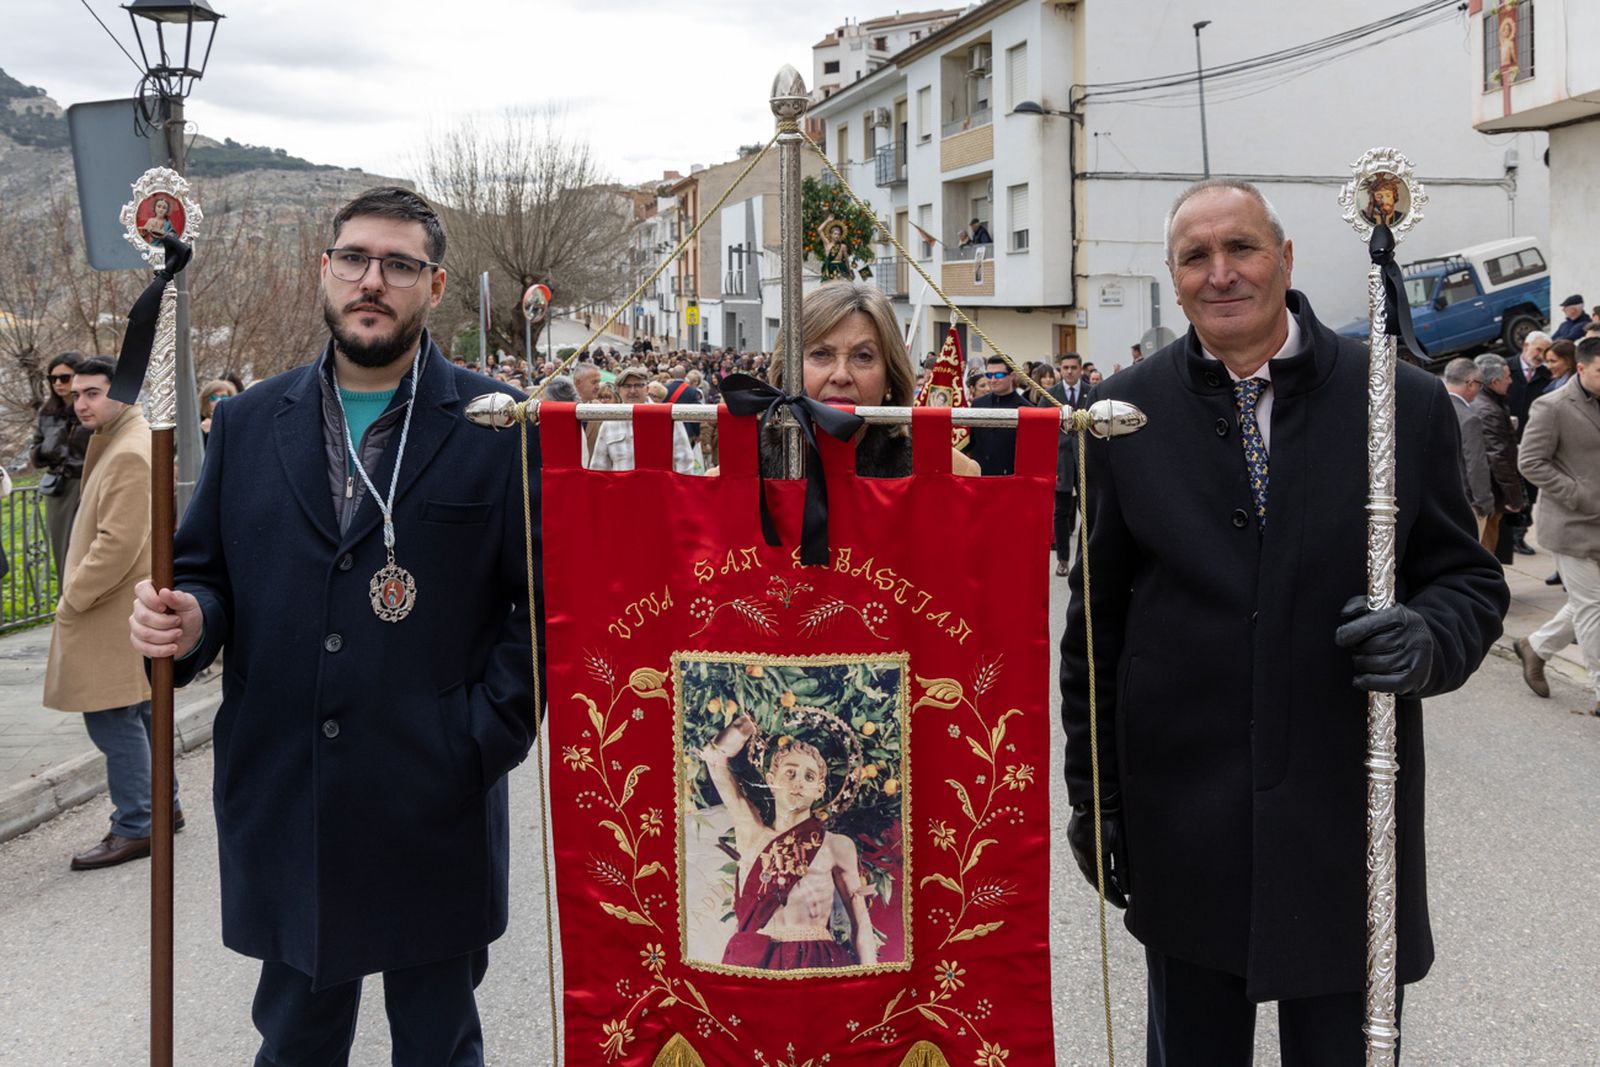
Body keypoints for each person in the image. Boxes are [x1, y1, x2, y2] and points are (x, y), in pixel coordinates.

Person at [1061, 179, 1507, 1065]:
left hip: (1343, 821)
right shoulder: (1123, 416)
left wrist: (1428, 638)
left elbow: (1468, 581)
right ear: (1174, 277)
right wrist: (1096, 801)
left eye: (1243, 249)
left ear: (1287, 257)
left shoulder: (1400, 402)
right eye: (1196, 257)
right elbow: (1094, 631)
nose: (1222, 273)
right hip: (1183, 822)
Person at [127, 187, 539, 1066]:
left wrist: (478, 735)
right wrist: (191, 616)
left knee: (438, 1044)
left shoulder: (498, 424)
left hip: (434, 801)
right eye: (354, 258)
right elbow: (207, 572)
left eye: (399, 265)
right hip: (290, 795)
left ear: (433, 285)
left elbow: (537, 608)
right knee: (295, 1044)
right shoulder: (244, 421)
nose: (372, 280)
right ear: (325, 269)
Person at [44, 356, 178, 869]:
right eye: (75, 394)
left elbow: (118, 542)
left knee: (112, 719)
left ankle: (138, 823)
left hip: (108, 610)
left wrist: (73, 596)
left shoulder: (128, 450)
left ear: (122, 393)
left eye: (92, 393)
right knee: (138, 713)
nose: (80, 403)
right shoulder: (127, 439)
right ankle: (164, 809)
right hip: (125, 607)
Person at [699, 714, 874, 970]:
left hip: (818, 960)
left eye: (809, 777)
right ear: (771, 781)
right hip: (756, 960)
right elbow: (714, 761)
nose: (798, 783)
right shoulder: (751, 832)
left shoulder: (837, 846)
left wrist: (868, 979)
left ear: (820, 790)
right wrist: (744, 725)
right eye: (790, 773)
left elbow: (861, 923)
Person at [758, 282, 979, 478]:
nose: (841, 375)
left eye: (863, 356)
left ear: (890, 378)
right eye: (821, 354)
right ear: (785, 372)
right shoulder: (742, 473)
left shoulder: (951, 474)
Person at [1514, 335, 1600, 717]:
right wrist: (1579, 494)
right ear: (1581, 368)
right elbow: (1530, 462)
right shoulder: (1552, 406)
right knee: (1594, 607)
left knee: (1588, 604)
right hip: (1571, 524)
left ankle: (1536, 646)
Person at [31, 351, 93, 578]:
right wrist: (49, 447)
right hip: (58, 487)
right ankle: (67, 602)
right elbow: (36, 451)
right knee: (62, 551)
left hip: (87, 483)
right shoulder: (47, 413)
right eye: (53, 378)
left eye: (65, 377)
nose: (58, 383)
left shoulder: (90, 410)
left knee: (87, 549)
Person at [589, 365, 700, 473]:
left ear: (647, 389)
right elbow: (599, 467)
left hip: (660, 490)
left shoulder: (666, 418)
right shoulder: (610, 423)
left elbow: (684, 462)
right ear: (618, 390)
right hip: (623, 490)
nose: (632, 391)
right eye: (627, 386)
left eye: (638, 385)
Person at [1471, 353, 1525, 559]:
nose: (1511, 381)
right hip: (1490, 493)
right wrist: (1514, 497)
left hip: (1488, 491)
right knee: (1487, 544)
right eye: (1507, 377)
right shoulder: (1489, 410)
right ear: (1494, 381)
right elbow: (1499, 457)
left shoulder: (1488, 402)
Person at [1049, 352, 1091, 577]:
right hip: (1061, 460)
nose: (1069, 372)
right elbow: (1042, 426)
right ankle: (1063, 559)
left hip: (1086, 458)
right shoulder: (1051, 394)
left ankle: (1083, 558)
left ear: (1080, 368)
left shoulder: (1091, 392)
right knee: (1061, 511)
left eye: (1073, 367)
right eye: (1065, 368)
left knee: (1088, 510)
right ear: (1060, 369)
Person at [1443, 357, 1493, 536]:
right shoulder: (1468, 418)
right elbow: (1476, 464)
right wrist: (1484, 502)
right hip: (1465, 503)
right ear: (1471, 384)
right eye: (1480, 385)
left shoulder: (1430, 404)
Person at [966, 355, 1033, 476]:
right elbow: (970, 443)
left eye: (999, 375)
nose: (993, 380)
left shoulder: (1025, 408)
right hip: (980, 478)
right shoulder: (978, 403)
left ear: (1012, 376)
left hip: (1010, 480)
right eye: (989, 375)